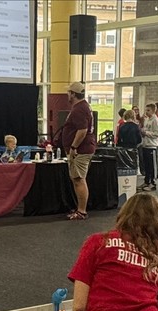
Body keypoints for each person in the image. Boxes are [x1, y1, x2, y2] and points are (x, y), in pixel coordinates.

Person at [62, 81, 97, 221]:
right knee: (77, 178)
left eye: (68, 92)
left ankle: (81, 211)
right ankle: (80, 208)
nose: (67, 95)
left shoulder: (79, 109)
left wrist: (73, 147)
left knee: (78, 179)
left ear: (73, 94)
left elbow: (82, 131)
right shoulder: (83, 107)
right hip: (83, 148)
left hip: (80, 150)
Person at [139, 103, 158, 191]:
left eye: (148, 110)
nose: (146, 112)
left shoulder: (155, 120)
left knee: (152, 166)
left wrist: (146, 133)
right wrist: (143, 131)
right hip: (145, 145)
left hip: (151, 146)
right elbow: (146, 129)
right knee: (146, 165)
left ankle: (153, 183)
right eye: (146, 110)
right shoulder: (147, 119)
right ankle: (146, 181)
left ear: (153, 110)